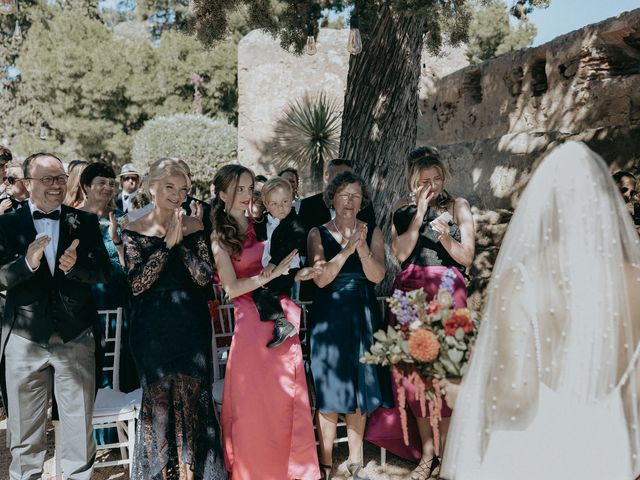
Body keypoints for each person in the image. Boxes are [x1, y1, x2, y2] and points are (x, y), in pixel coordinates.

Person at [440, 141, 640, 480]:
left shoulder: (523, 280)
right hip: (608, 449)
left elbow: (517, 398)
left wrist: (463, 393)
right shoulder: (634, 279)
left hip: (541, 450)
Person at [0, 152, 112, 480]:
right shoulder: (6, 224)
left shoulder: (84, 222)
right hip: (23, 341)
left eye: (60, 178)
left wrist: (76, 268)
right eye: (47, 179)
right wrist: (27, 263)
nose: (56, 185)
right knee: (24, 436)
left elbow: (104, 271)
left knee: (79, 433)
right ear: (27, 183)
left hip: (75, 337)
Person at [365, 146, 475, 479]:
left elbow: (467, 256)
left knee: (445, 375)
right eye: (424, 180)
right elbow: (400, 252)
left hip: (446, 291)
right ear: (413, 180)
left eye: (437, 178)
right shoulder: (402, 207)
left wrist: (445, 239)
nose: (432, 184)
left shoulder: (459, 206)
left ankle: (449, 454)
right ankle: (428, 456)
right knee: (413, 378)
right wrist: (420, 211)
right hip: (410, 292)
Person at [211, 164, 319, 480]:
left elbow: (284, 263)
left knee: (285, 399)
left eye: (250, 189)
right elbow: (231, 288)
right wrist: (265, 275)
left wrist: (299, 272)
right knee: (254, 405)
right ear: (221, 194)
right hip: (250, 326)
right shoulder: (221, 236)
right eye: (239, 189)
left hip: (281, 319)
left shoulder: (265, 224)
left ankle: (292, 470)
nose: (247, 196)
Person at [122, 158, 225, 480]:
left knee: (192, 401)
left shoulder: (195, 226)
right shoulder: (131, 227)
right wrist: (166, 245)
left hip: (190, 326)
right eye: (170, 187)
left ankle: (190, 472)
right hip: (150, 329)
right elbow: (137, 282)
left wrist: (180, 241)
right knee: (159, 406)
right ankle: (158, 474)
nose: (177, 194)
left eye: (183, 189)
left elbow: (204, 277)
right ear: (152, 187)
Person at [307, 171, 393, 480]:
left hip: (362, 314)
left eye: (356, 195)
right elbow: (321, 278)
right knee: (329, 391)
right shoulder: (317, 233)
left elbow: (377, 276)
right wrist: (346, 249)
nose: (350, 201)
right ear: (332, 198)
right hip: (329, 317)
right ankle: (326, 462)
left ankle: (356, 462)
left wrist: (361, 247)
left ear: (363, 201)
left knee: (360, 387)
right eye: (344, 194)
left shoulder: (374, 233)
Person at [251, 177, 319, 348]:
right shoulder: (265, 221)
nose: (281, 207)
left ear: (292, 199)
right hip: (274, 269)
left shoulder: (295, 223)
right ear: (266, 204)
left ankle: (282, 322)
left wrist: (273, 264)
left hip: (287, 269)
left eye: (285, 201)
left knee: (261, 292)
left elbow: (289, 246)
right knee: (262, 292)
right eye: (274, 203)